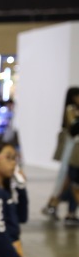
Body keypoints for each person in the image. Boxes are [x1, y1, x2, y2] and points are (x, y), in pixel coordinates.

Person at [43, 86, 79, 223]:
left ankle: (60, 207)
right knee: (67, 179)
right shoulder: (70, 110)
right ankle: (53, 204)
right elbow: (74, 129)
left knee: (71, 181)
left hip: (75, 153)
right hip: (72, 152)